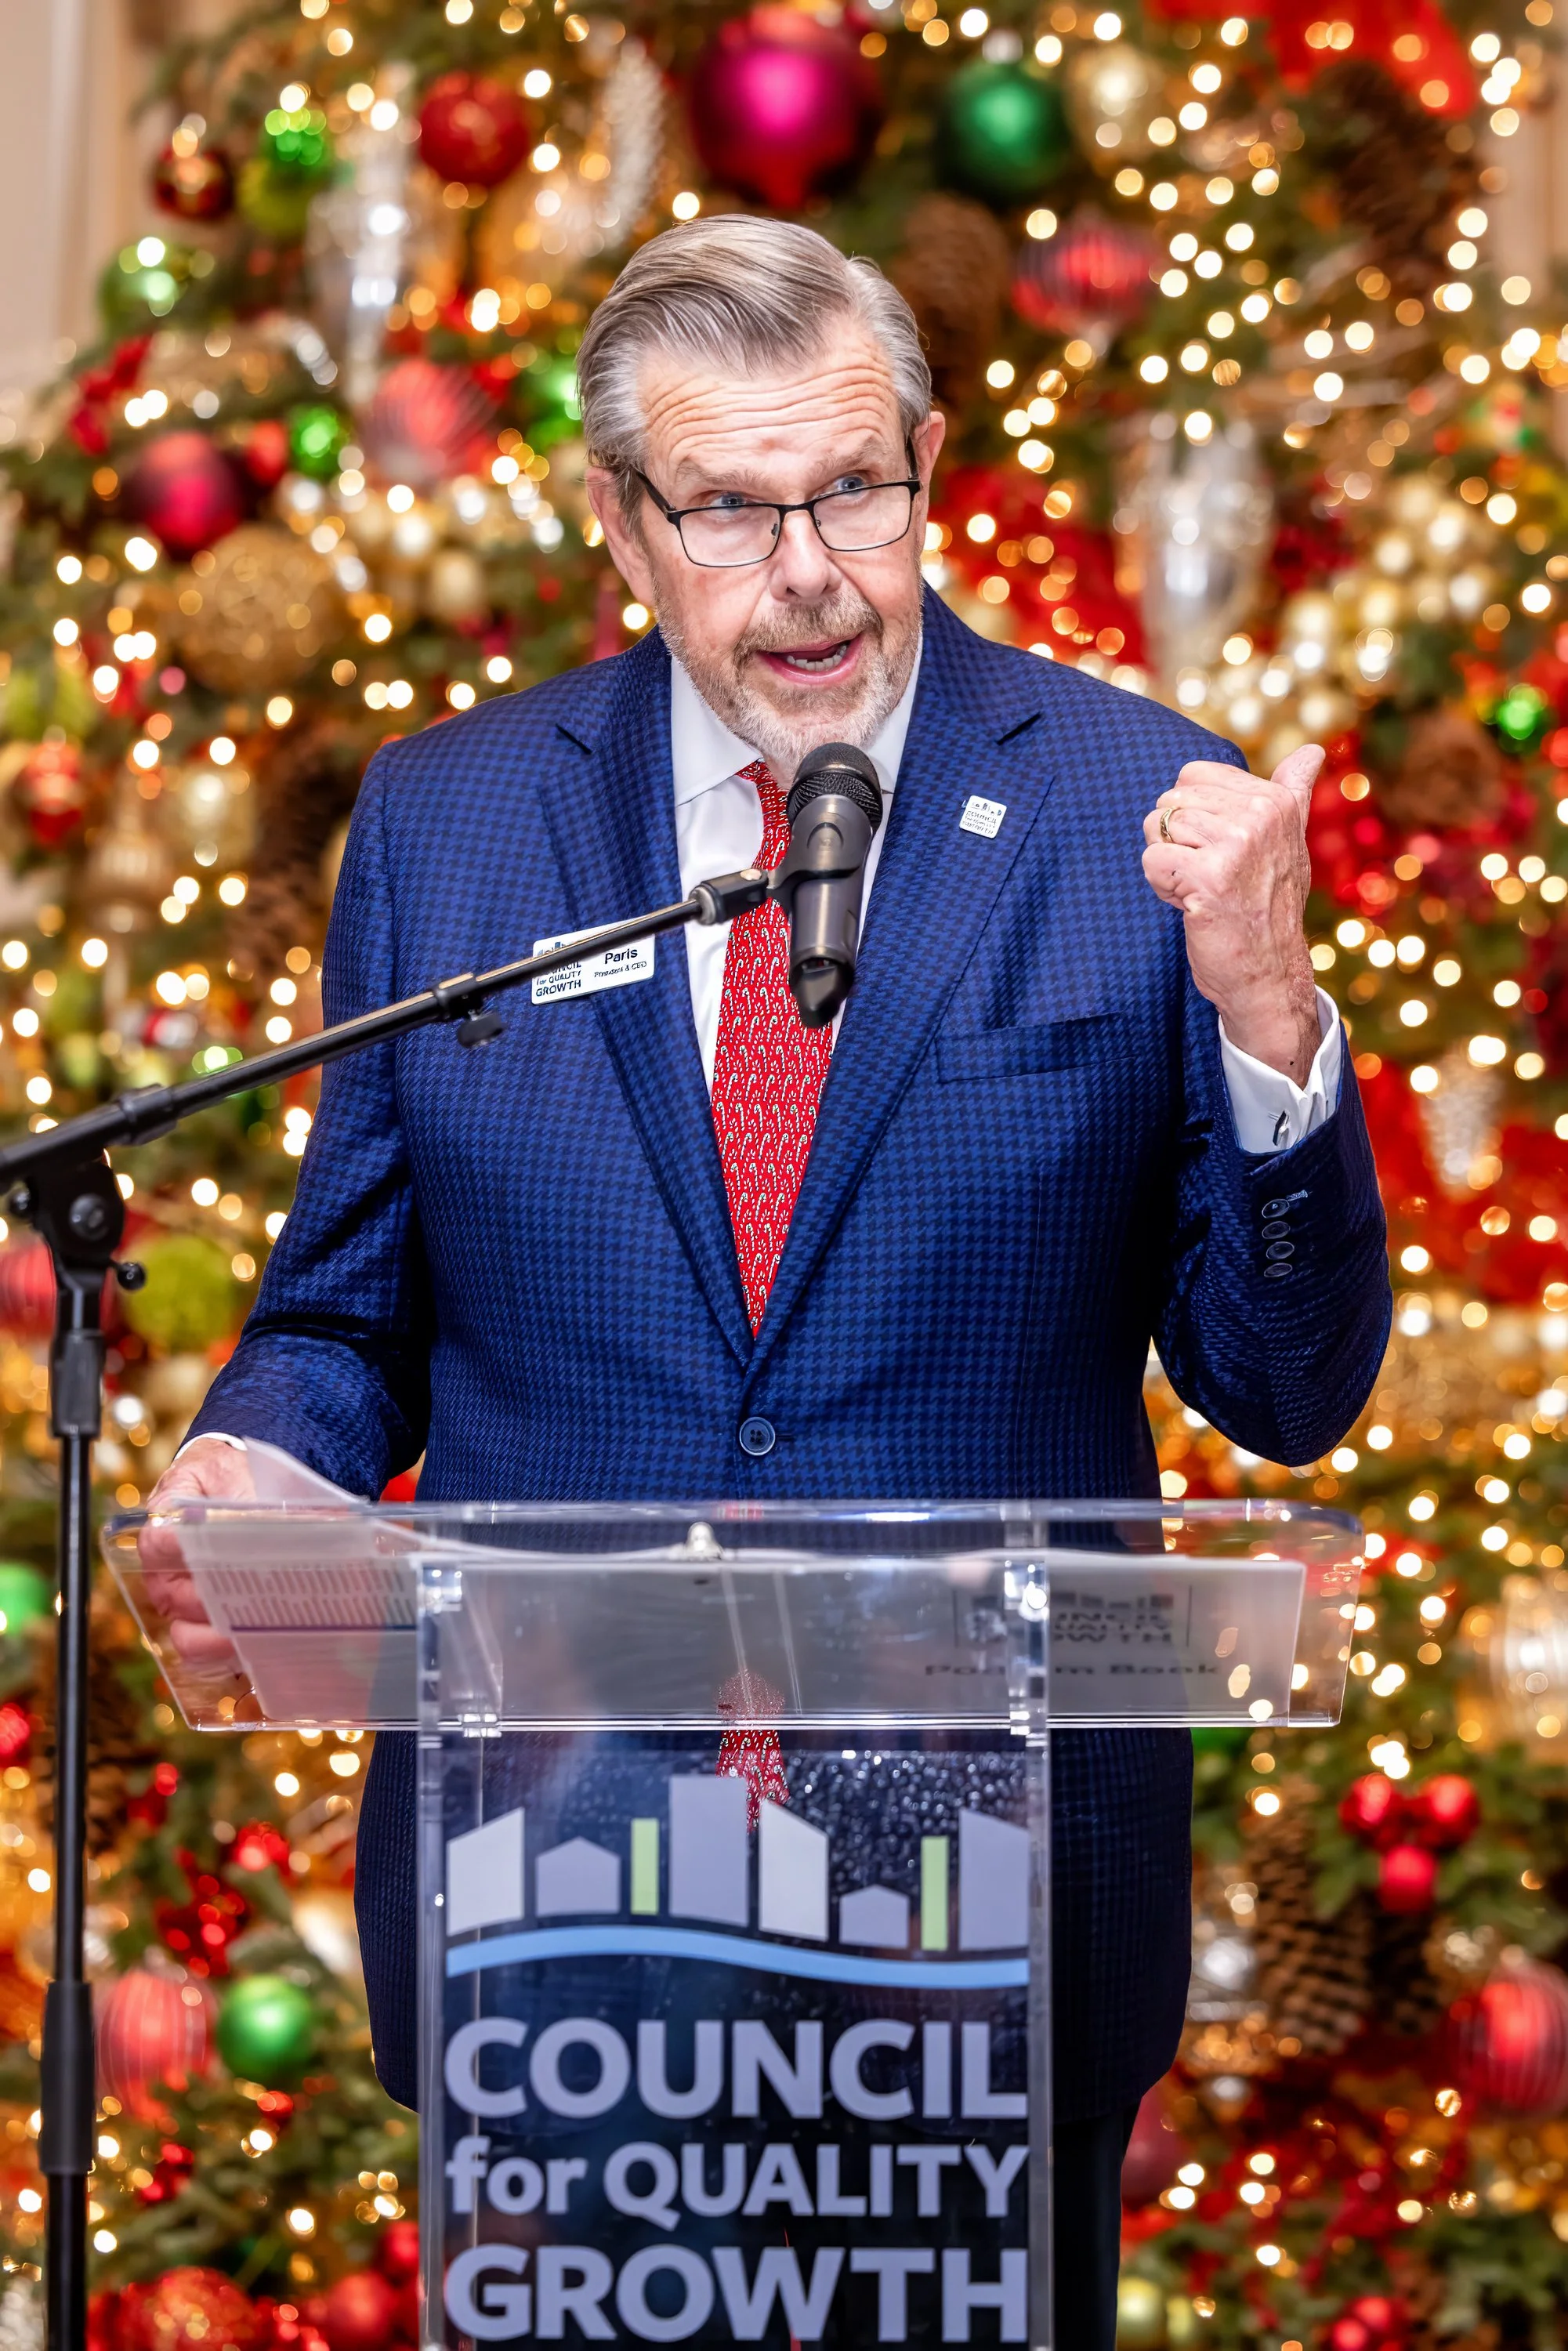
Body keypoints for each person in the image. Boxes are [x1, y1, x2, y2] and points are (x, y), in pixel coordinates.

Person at [150, 216, 1389, 2344]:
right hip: (555, 1913)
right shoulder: (453, 830)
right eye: (728, 507)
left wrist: (1268, 1012)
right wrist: (260, 1455)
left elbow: (1283, 1390)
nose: (805, 566)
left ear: (927, 460)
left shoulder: (1134, 810)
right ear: (621, 523)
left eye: (853, 490)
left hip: (983, 1938)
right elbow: (348, 1317)